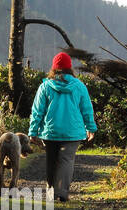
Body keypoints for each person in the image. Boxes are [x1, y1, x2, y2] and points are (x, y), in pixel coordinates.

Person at [28, 52, 97, 202]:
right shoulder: (79, 86)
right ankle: (63, 193)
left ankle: (52, 193)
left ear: (54, 68)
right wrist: (90, 128)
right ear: (69, 68)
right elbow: (87, 109)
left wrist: (33, 131)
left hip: (50, 131)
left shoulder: (45, 86)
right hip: (73, 132)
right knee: (67, 160)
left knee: (51, 160)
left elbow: (37, 111)